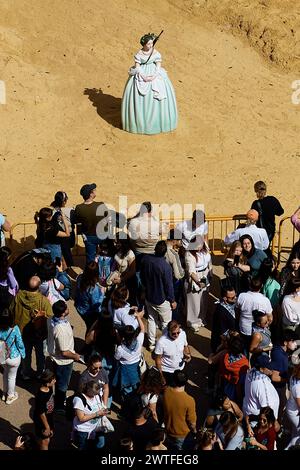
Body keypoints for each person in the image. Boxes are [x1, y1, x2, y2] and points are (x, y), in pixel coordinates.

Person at [121, 32, 177, 135]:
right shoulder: (139, 54)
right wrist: (143, 76)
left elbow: (158, 64)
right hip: (142, 74)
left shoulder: (155, 53)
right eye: (148, 44)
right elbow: (137, 66)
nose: (150, 45)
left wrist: (155, 75)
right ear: (144, 44)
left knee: (160, 88)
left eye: (151, 43)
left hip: (154, 72)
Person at [13, 275, 53, 380]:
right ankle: (40, 373)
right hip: (39, 334)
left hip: (22, 332)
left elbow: (12, 311)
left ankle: (26, 373)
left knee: (25, 354)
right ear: (39, 286)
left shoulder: (18, 296)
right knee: (40, 354)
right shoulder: (43, 301)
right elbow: (50, 317)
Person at [140, 240, 176, 350]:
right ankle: (164, 345)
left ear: (155, 250)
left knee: (151, 319)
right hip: (162, 299)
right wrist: (172, 300)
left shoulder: (145, 260)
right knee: (166, 323)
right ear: (165, 252)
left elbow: (142, 277)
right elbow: (169, 286)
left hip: (149, 296)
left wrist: (144, 290)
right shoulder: (165, 267)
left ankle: (151, 344)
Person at [47, 300, 81, 412]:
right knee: (62, 384)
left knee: (58, 380)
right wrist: (75, 356)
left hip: (56, 357)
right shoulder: (60, 329)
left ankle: (58, 399)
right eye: (66, 308)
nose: (68, 309)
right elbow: (64, 352)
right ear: (62, 313)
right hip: (63, 361)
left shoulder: (51, 320)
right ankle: (60, 406)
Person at [243, 354, 280, 436]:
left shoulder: (251, 371)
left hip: (251, 417)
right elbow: (267, 410)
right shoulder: (262, 385)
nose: (272, 368)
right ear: (261, 369)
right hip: (261, 423)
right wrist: (275, 423)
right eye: (269, 367)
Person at [113, 309, 145, 398]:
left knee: (127, 391)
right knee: (136, 387)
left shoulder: (120, 349)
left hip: (125, 371)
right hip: (137, 367)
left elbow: (116, 358)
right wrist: (138, 317)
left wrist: (116, 333)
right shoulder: (139, 340)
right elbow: (142, 328)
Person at [163, 370, 197, 452]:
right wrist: (195, 432)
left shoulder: (166, 391)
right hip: (182, 435)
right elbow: (192, 423)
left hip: (168, 431)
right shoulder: (189, 400)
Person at [235, 277, 273, 350]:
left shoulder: (242, 296)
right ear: (261, 286)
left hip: (244, 328)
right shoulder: (265, 300)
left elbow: (237, 311)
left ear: (250, 286)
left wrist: (237, 321)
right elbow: (270, 318)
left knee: (243, 347)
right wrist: (265, 326)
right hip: (259, 332)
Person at [184, 235, 212, 331]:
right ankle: (192, 322)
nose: (198, 248)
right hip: (196, 276)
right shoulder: (189, 254)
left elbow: (209, 260)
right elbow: (191, 271)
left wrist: (210, 273)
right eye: (196, 245)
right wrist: (198, 282)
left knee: (203, 299)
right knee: (194, 301)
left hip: (205, 274)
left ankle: (201, 318)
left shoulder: (205, 247)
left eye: (200, 245)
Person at [72, 380, 109, 450]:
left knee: (94, 446)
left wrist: (104, 410)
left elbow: (101, 405)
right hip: (83, 430)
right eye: (94, 393)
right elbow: (81, 418)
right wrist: (97, 414)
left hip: (94, 429)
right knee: (83, 447)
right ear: (88, 390)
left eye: (96, 393)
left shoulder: (96, 395)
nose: (95, 395)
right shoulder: (79, 400)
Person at [271, 330, 299, 422]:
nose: (295, 344)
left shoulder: (280, 350)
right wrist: (288, 379)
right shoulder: (280, 356)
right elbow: (274, 377)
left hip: (281, 386)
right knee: (280, 405)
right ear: (285, 342)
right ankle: (277, 425)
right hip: (278, 388)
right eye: (293, 341)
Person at [154, 320, 191, 386]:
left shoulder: (182, 334)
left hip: (180, 368)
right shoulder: (161, 342)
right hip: (168, 371)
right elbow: (158, 360)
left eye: (178, 332)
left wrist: (188, 355)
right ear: (168, 331)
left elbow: (185, 346)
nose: (176, 335)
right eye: (174, 333)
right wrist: (161, 375)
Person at [0, 309, 25, 404]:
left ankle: (4, 393)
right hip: (13, 357)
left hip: (2, 355)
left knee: (5, 374)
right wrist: (23, 354)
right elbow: (20, 343)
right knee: (12, 376)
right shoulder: (15, 329)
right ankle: (10, 396)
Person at [74, 261, 105, 330]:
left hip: (80, 307)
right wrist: (102, 294)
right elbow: (96, 305)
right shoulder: (94, 289)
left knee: (88, 325)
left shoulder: (80, 277)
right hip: (89, 312)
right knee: (91, 328)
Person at [50, 191, 75, 268]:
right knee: (67, 255)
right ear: (64, 201)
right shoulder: (70, 210)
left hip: (56, 236)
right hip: (68, 236)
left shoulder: (50, 211)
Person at [33, 369, 56, 450]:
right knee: (45, 441)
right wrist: (47, 427)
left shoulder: (49, 388)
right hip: (42, 420)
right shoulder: (41, 396)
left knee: (47, 437)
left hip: (48, 417)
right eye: (53, 380)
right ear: (47, 382)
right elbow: (41, 413)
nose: (55, 381)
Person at [211, 286, 237, 353]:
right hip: (222, 342)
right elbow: (222, 333)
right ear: (225, 298)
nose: (235, 298)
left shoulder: (233, 303)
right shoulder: (220, 312)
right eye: (232, 298)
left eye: (235, 295)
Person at [285, 363, 300, 438]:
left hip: (291, 406)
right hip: (294, 412)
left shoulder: (293, 377)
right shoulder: (297, 387)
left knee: (295, 432)